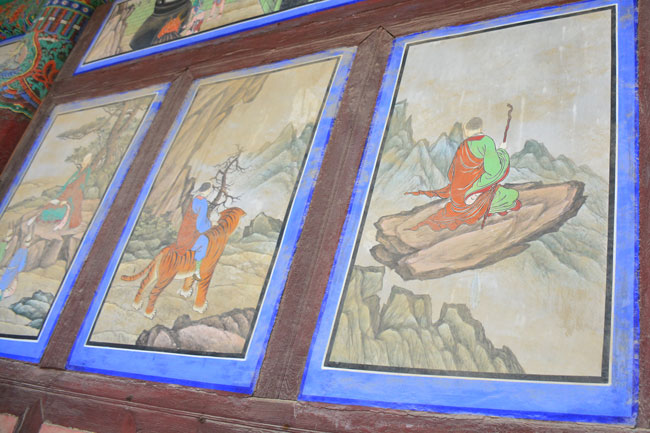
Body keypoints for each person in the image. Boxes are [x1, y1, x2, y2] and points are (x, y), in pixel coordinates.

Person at [406, 117, 521, 231]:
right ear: (480, 128)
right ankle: (476, 191)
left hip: (457, 196)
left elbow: (451, 174)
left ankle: (474, 193)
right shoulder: (486, 141)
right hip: (474, 190)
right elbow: (494, 170)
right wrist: (502, 152)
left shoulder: (463, 145)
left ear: (466, 130)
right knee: (508, 196)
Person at [37, 152, 93, 230]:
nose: (83, 162)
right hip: (66, 195)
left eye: (86, 160)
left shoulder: (86, 172)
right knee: (50, 205)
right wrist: (61, 197)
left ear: (88, 162)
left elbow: (77, 187)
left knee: (61, 210)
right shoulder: (78, 172)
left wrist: (66, 201)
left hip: (74, 197)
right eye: (83, 160)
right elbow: (68, 185)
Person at [175, 181, 215, 279]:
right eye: (210, 189)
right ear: (208, 190)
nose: (211, 191)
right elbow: (200, 223)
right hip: (191, 235)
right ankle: (196, 271)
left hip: (184, 233)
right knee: (204, 241)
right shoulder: (203, 202)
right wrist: (211, 224)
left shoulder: (195, 199)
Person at [0, 235, 30, 300]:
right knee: (16, 267)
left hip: (5, 275)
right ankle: (24, 248)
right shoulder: (4, 293)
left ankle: (5, 242)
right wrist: (15, 280)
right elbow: (11, 289)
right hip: (8, 276)